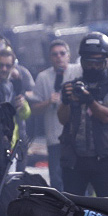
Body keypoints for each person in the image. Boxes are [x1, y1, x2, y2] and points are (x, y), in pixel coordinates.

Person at [57, 33, 108, 198]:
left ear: (105, 61)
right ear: (81, 61)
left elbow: (106, 115)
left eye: (98, 62)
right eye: (88, 62)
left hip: (104, 159)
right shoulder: (72, 86)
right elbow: (62, 119)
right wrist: (65, 101)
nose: (93, 67)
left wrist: (89, 100)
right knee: (70, 209)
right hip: (74, 159)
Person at [27, 41, 78, 191]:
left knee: (78, 178)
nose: (59, 57)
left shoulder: (78, 70)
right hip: (54, 137)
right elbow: (34, 110)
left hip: (76, 137)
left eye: (62, 53)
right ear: (50, 58)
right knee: (56, 179)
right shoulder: (43, 77)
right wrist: (48, 102)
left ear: (69, 56)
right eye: (55, 54)